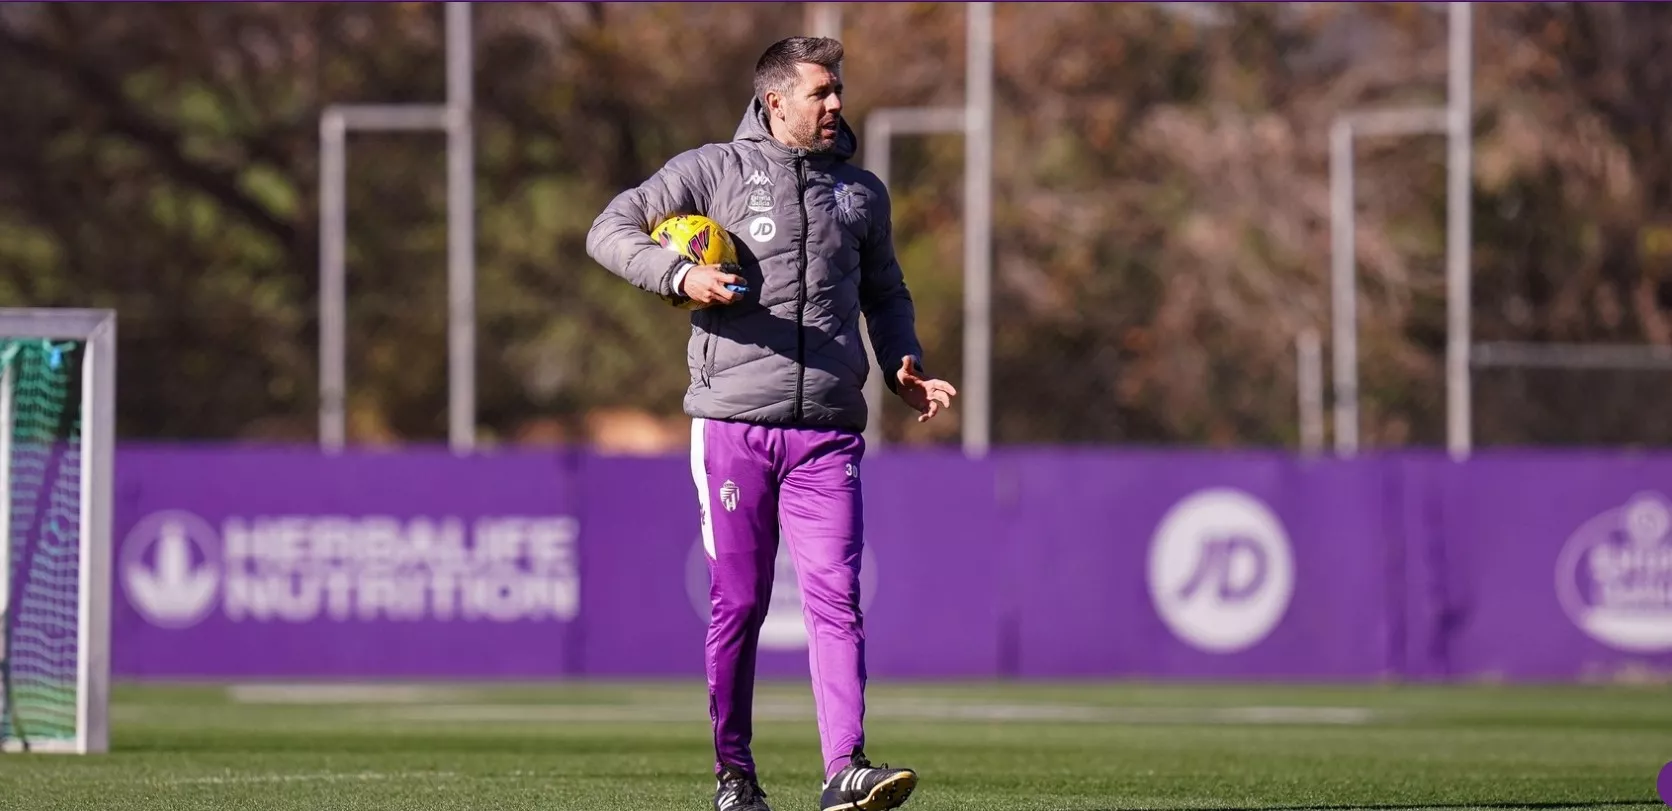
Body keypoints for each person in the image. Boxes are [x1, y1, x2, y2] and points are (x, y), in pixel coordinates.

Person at [585, 34, 956, 811]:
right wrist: (680, 273)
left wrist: (902, 363)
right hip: (731, 426)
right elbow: (610, 229)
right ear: (774, 100)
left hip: (827, 428)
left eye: (838, 90)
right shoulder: (711, 171)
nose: (836, 105)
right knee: (741, 603)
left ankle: (844, 768)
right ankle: (734, 775)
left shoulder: (859, 195)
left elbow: (886, 295)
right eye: (821, 92)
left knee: (835, 597)